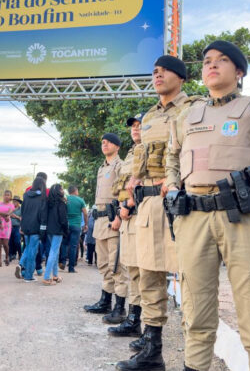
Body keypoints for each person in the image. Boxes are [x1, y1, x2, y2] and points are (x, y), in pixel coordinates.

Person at [165, 41, 250, 371]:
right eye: (207, 61)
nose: (212, 65)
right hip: (193, 219)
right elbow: (172, 157)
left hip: (246, 221)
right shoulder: (187, 116)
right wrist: (171, 184)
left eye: (222, 60)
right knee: (195, 318)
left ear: (238, 71)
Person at [116, 55, 191, 371]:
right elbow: (139, 164)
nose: (157, 75)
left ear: (181, 77)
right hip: (146, 205)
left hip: (177, 203)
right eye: (154, 71)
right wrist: (132, 190)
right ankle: (152, 351)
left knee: (188, 278)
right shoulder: (147, 116)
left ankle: (195, 357)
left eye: (164, 70)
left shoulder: (194, 109)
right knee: (149, 277)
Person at [84, 133, 129, 325]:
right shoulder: (102, 168)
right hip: (100, 220)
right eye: (102, 142)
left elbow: (124, 192)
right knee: (103, 264)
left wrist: (119, 216)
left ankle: (120, 308)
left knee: (116, 265)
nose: (104, 144)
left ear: (117, 146)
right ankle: (105, 301)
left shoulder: (121, 165)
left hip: (113, 219)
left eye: (108, 142)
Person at [108, 113, 144, 340]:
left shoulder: (148, 149)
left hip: (139, 212)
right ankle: (134, 319)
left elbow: (141, 182)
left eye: (140, 125)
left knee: (142, 271)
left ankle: (138, 321)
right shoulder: (133, 152)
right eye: (133, 126)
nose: (135, 129)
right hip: (126, 214)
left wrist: (127, 208)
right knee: (131, 268)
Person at [16, 177, 47, 282]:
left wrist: (22, 225)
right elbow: (43, 215)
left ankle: (21, 264)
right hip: (36, 227)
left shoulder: (26, 196)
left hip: (26, 226)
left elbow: (23, 212)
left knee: (28, 248)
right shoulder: (42, 198)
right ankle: (29, 276)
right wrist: (43, 230)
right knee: (32, 252)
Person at [43, 184, 68, 285]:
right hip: (58, 231)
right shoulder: (61, 203)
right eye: (61, 189)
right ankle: (46, 277)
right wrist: (66, 231)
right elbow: (63, 220)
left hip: (49, 230)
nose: (63, 190)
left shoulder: (48, 203)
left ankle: (55, 275)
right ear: (58, 191)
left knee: (55, 252)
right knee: (53, 252)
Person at [60, 185, 88, 273]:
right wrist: (86, 224)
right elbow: (85, 213)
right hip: (76, 226)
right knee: (73, 246)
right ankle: (71, 268)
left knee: (64, 244)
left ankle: (63, 262)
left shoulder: (66, 199)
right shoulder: (80, 200)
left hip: (66, 225)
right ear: (76, 191)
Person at [0, 190, 15, 267]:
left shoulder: (11, 205)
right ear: (3, 196)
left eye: (8, 195)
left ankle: (7, 257)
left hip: (7, 225)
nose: (6, 196)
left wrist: (0, 213)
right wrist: (4, 215)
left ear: (10, 197)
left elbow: (9, 213)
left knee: (5, 244)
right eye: (5, 195)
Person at [8, 196, 23, 261]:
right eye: (14, 201)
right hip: (9, 227)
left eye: (16, 201)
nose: (14, 203)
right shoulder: (10, 208)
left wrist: (15, 216)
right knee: (10, 242)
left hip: (17, 227)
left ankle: (20, 254)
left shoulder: (21, 209)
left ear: (18, 202)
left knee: (17, 241)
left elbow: (22, 219)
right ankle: (11, 255)